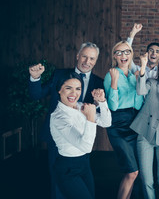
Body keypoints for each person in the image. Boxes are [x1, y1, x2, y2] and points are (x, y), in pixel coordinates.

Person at [28, 42, 103, 199]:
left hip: (81, 144)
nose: (87, 61)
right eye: (84, 56)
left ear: (95, 61)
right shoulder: (59, 75)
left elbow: (103, 115)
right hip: (58, 140)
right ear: (77, 56)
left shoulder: (99, 83)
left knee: (82, 189)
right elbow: (37, 95)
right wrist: (35, 78)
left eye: (92, 58)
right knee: (58, 185)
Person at [50, 72, 111, 199]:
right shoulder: (58, 117)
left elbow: (106, 122)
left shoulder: (80, 106)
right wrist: (90, 118)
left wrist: (102, 102)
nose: (74, 93)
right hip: (67, 169)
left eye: (78, 89)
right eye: (68, 88)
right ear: (59, 90)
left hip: (84, 164)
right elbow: (86, 147)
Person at [130, 54, 159, 199]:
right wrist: (143, 66)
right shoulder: (151, 82)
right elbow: (140, 91)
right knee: (147, 180)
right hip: (144, 135)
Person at [104, 41, 144, 199]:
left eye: (126, 52)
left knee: (133, 172)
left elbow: (139, 104)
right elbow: (112, 106)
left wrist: (139, 83)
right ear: (114, 56)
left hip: (133, 123)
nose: (123, 55)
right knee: (132, 171)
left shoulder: (135, 75)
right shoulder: (111, 74)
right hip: (117, 124)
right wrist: (114, 82)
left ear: (131, 55)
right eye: (119, 52)